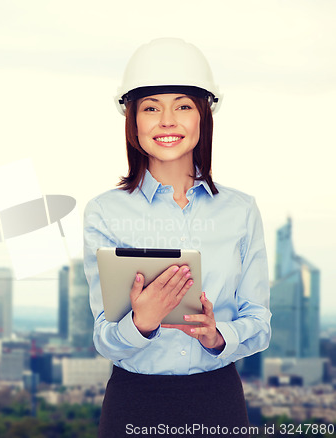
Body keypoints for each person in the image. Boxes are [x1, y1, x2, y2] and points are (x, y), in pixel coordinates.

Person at [83, 38, 271, 438]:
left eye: (183, 105)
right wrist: (141, 323)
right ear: (133, 121)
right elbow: (104, 337)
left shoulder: (240, 211)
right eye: (151, 108)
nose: (167, 121)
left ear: (204, 116)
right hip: (133, 401)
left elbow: (259, 320)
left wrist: (218, 336)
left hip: (217, 399)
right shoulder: (104, 212)